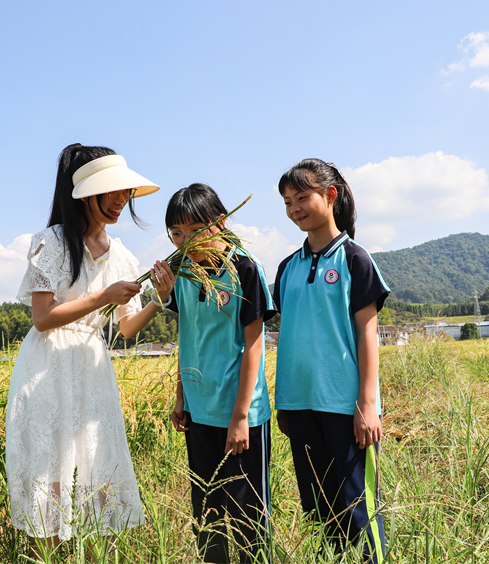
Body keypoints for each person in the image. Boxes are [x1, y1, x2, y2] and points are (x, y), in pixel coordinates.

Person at [5, 143, 175, 554]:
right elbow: (43, 317)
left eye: (125, 193)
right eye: (112, 192)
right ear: (84, 193)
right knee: (50, 473)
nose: (121, 201)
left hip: (92, 368)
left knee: (97, 470)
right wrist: (103, 297)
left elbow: (128, 327)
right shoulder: (51, 243)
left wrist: (159, 299)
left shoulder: (123, 256)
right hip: (47, 367)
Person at [273, 158, 390, 562]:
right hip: (299, 405)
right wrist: (283, 403)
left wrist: (368, 404)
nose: (294, 209)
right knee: (319, 511)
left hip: (346, 406)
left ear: (330, 195)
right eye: (287, 202)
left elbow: (367, 335)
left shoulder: (355, 259)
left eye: (302, 197)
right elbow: (292, 337)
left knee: (359, 509)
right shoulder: (287, 267)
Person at [166, 184, 276, 564]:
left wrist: (241, 417)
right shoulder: (183, 273)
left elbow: (254, 346)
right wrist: (181, 397)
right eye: (176, 234)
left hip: (239, 416)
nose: (185, 241)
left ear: (221, 223)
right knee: (208, 516)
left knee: (248, 517)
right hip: (199, 411)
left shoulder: (245, 268)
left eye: (194, 230)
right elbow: (189, 338)